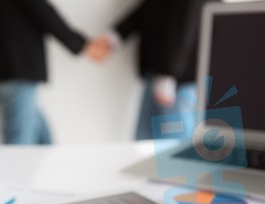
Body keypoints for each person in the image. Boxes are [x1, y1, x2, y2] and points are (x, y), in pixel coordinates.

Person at [0, 0, 103, 145]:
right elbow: (41, 11)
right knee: (18, 148)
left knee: (43, 141)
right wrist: (80, 44)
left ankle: (51, 168)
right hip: (16, 66)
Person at [91, 0, 217, 140]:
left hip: (177, 79)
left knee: (175, 143)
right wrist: (112, 38)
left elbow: (185, 23)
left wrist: (168, 74)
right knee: (144, 141)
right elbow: (150, 8)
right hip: (159, 73)